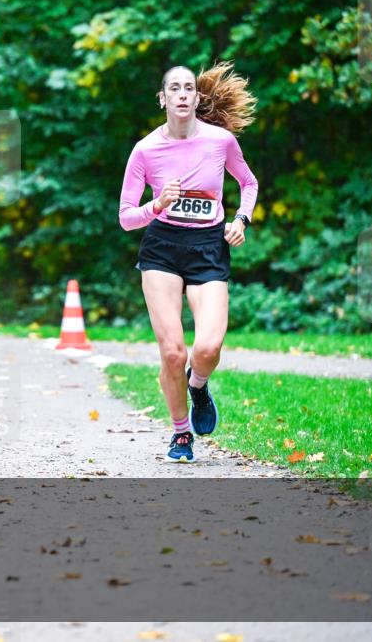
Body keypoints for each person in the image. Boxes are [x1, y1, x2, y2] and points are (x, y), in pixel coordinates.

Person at [118, 62, 259, 463]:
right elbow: (126, 217)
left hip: (208, 247)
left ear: (197, 99)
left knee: (208, 347)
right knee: (173, 353)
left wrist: (240, 219)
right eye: (174, 88)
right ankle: (181, 434)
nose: (182, 93)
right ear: (163, 99)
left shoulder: (220, 142)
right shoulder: (145, 150)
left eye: (188, 88)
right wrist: (156, 204)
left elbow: (248, 183)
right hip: (162, 248)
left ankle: (198, 386)